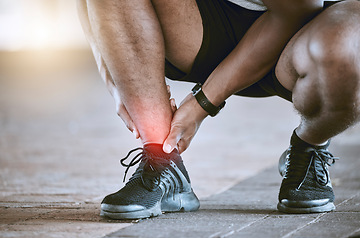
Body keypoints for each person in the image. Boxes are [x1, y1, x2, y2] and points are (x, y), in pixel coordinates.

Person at [76, 0, 360, 219]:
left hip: (312, 27)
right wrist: (114, 79)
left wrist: (202, 103)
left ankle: (310, 148)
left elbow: (294, 11)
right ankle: (162, 158)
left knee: (348, 50)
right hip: (203, 25)